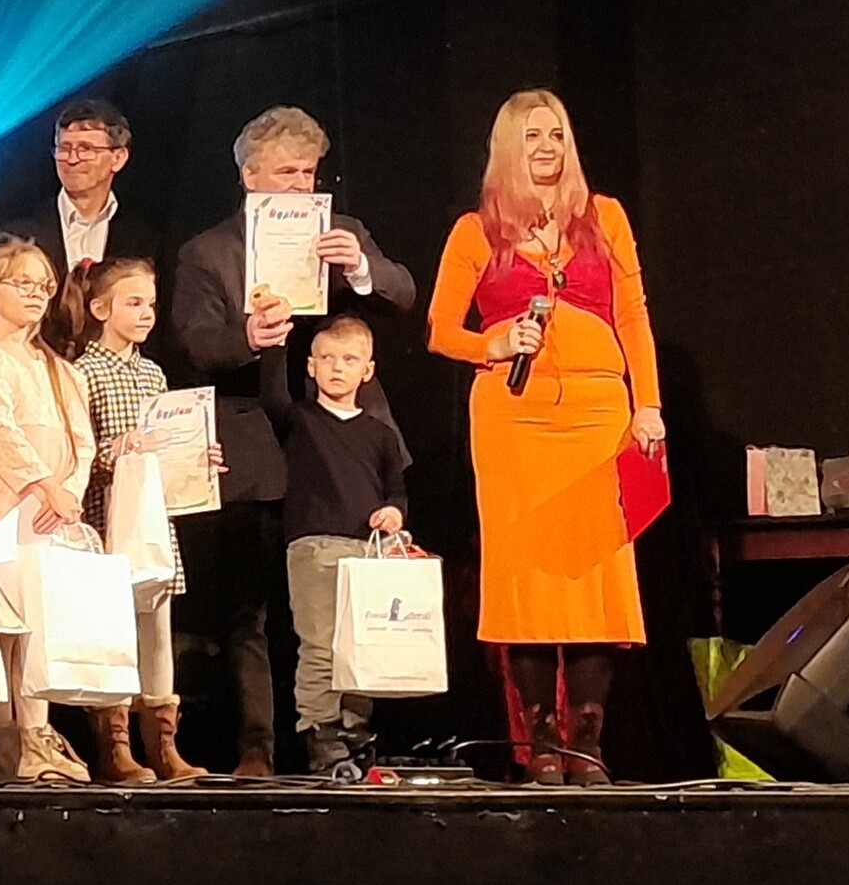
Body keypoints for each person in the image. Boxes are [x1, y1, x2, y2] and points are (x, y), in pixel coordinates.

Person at [427, 89, 663, 786]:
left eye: (556, 134)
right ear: (508, 146)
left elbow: (634, 316)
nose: (547, 147)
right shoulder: (476, 231)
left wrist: (647, 406)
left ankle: (587, 742)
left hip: (597, 416)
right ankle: (541, 742)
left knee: (594, 579)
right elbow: (441, 330)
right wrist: (494, 343)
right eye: (532, 135)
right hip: (515, 419)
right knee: (525, 583)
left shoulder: (605, 218)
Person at [171, 106, 414, 776]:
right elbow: (196, 342)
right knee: (248, 608)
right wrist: (247, 336)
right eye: (286, 173)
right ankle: (257, 744)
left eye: (308, 173)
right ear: (249, 176)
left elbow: (401, 291)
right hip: (254, 445)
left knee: (345, 601)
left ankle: (341, 743)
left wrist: (359, 267)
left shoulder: (341, 233)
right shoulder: (208, 251)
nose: (301, 186)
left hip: (342, 449)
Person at [0, 238, 101, 785]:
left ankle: (38, 733)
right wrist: (41, 485)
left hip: (51, 505)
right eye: (23, 283)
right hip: (2, 490)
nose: (37, 294)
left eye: (44, 286)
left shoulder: (63, 370)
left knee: (41, 614)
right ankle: (3, 739)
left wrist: (68, 493)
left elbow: (82, 441)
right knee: (1, 614)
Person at [62, 257, 209, 782]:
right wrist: (119, 448)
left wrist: (196, 459)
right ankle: (114, 745)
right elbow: (79, 451)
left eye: (150, 303)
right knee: (114, 628)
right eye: (133, 303)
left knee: (157, 625)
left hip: (151, 519)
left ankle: (164, 745)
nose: (146, 313)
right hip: (109, 516)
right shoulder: (83, 372)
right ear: (101, 309)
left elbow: (169, 445)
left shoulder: (153, 373)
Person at [260, 314, 411, 779]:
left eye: (349, 359)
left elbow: (396, 491)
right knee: (320, 644)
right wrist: (274, 344)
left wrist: (393, 513)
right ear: (311, 366)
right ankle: (320, 732)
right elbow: (273, 397)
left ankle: (354, 730)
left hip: (365, 553)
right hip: (314, 548)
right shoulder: (300, 420)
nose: (337, 367)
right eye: (326, 358)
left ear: (368, 370)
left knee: (360, 646)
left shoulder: (381, 434)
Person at [0, 99, 160, 343]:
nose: (72, 159)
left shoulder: (142, 241)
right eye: (64, 148)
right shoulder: (17, 235)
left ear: (118, 158)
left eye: (86, 149)